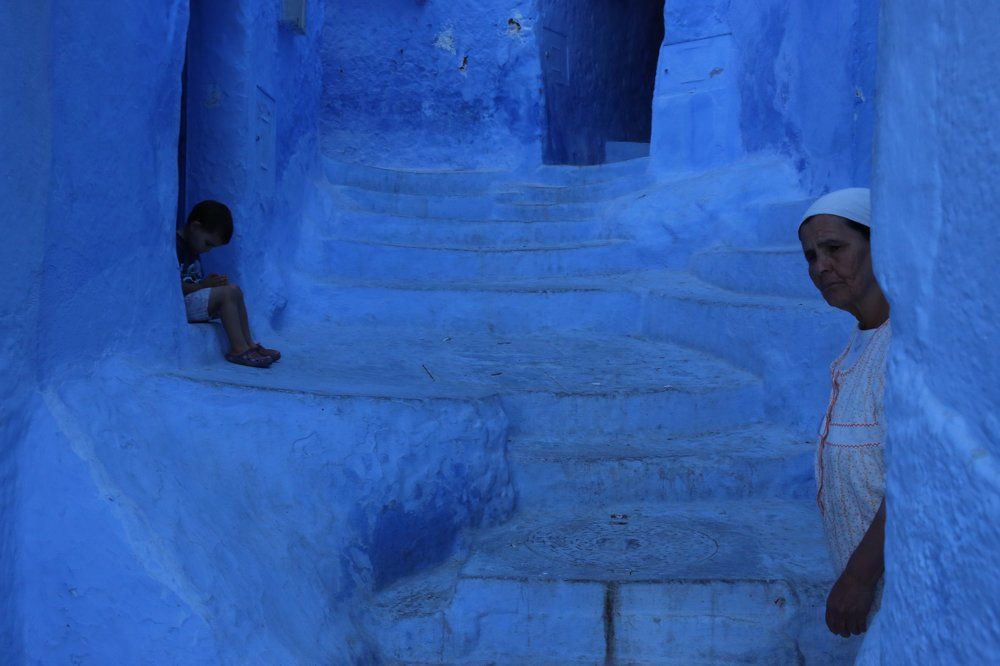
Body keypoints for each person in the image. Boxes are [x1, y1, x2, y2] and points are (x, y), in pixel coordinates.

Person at [797, 188, 889, 639]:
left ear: (882, 245)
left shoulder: (905, 351)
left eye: (835, 249)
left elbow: (919, 479)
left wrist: (858, 577)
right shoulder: (859, 344)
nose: (820, 267)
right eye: (811, 256)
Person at [177, 200, 281, 368]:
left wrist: (211, 284)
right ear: (195, 227)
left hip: (193, 300)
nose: (208, 250)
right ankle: (238, 349)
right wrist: (203, 286)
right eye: (208, 243)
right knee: (228, 292)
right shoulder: (176, 246)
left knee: (235, 290)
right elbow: (174, 288)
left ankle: (250, 345)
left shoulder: (193, 247)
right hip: (180, 306)